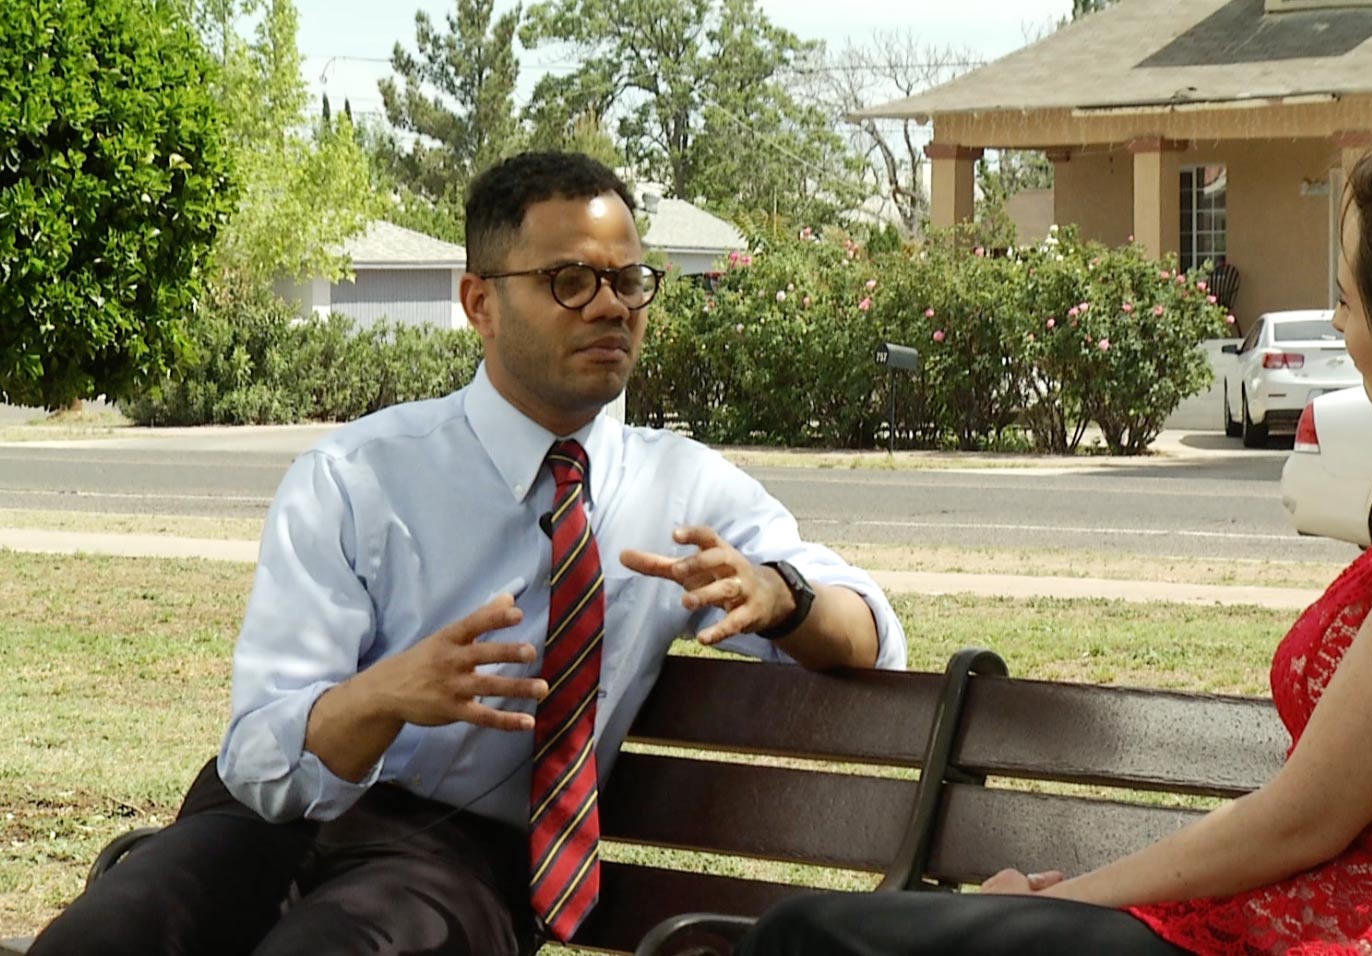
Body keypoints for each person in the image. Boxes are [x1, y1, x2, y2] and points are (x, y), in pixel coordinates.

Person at [734, 125, 1372, 955]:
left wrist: (1063, 903)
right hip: (1302, 917)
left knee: (816, 938)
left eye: (1351, 300)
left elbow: (1304, 821)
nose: (1337, 325)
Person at [30, 151, 906, 956]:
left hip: (464, 854)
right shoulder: (357, 476)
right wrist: (386, 695)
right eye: (570, 281)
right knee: (105, 938)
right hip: (272, 819)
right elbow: (260, 757)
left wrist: (783, 595)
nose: (611, 306)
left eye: (628, 280)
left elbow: (872, 633)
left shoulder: (685, 492)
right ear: (479, 302)